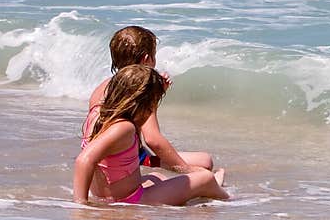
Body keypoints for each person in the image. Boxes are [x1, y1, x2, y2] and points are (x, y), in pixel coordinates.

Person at [74, 64, 229, 205]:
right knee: (205, 178)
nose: (152, 111)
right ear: (142, 103)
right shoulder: (123, 128)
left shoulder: (98, 114)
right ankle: (226, 197)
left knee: (157, 177)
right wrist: (81, 206)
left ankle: (206, 193)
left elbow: (134, 152)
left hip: (112, 195)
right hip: (132, 200)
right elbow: (84, 160)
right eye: (152, 104)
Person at [89, 25, 213, 174]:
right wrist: (186, 170)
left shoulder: (103, 86)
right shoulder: (140, 89)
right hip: (132, 159)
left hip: (104, 159)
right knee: (205, 162)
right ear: (146, 59)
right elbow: (153, 139)